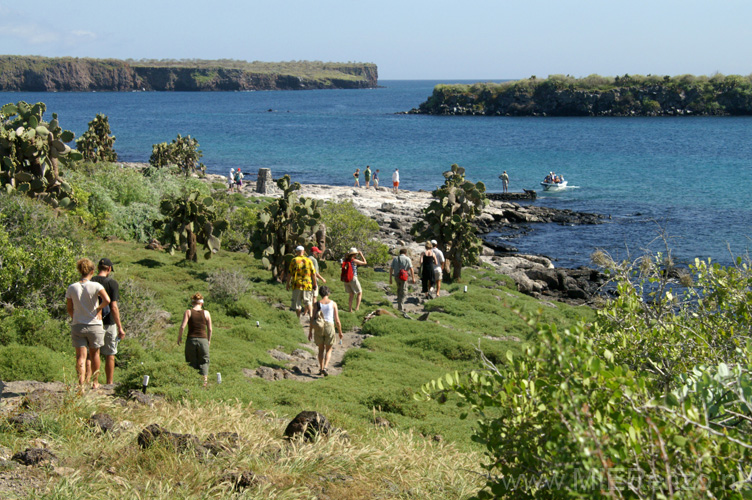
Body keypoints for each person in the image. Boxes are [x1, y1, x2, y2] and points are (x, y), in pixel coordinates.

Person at [66, 258, 110, 390]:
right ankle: (95, 382)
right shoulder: (96, 286)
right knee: (95, 354)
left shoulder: (72, 287)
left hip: (78, 324)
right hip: (94, 325)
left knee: (80, 356)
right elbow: (107, 300)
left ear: (80, 271)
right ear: (92, 271)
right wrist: (98, 308)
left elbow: (69, 307)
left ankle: (81, 383)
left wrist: (75, 317)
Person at [91, 258, 125, 385]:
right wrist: (120, 327)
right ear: (109, 269)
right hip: (109, 322)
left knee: (93, 352)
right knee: (110, 353)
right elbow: (114, 307)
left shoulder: (90, 281)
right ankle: (109, 383)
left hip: (92, 320)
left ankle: (93, 381)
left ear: (98, 268)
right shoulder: (112, 283)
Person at [177, 293, 213, 387]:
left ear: (193, 303)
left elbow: (182, 327)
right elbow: (210, 329)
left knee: (191, 361)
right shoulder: (206, 313)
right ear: (201, 303)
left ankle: (192, 383)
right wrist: (208, 340)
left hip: (191, 340)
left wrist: (179, 337)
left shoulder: (188, 312)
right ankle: (204, 383)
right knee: (204, 361)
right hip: (203, 340)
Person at [308, 286, 343, 376]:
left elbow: (312, 318)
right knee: (329, 349)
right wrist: (340, 332)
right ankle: (326, 367)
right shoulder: (333, 304)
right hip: (329, 326)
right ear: (328, 293)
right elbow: (337, 320)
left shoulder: (316, 304)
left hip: (319, 326)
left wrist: (310, 332)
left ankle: (321, 368)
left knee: (320, 349)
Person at [287, 246, 317, 319]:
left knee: (297, 303)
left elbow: (289, 273)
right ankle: (311, 317)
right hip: (307, 284)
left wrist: (287, 283)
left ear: (297, 252)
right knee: (308, 301)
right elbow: (313, 273)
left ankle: (298, 318)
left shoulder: (294, 260)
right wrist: (314, 284)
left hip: (297, 284)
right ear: (303, 251)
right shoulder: (309, 260)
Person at [342, 247, 367, 312]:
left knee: (351, 294)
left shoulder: (346, 260)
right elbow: (365, 262)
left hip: (346, 279)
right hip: (353, 278)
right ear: (354, 254)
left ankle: (350, 309)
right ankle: (357, 308)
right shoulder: (354, 261)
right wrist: (361, 255)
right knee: (359, 292)